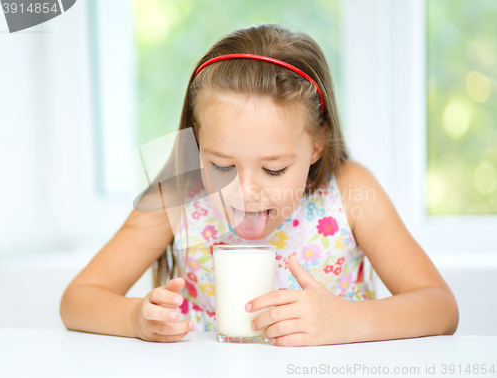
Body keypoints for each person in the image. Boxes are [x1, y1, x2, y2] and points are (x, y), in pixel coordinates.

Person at [60, 23, 459, 347]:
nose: (246, 192)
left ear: (318, 143)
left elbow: (440, 308)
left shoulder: (349, 190)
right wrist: (135, 319)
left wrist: (348, 321)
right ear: (197, 142)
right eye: (220, 165)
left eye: (273, 170)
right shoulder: (178, 192)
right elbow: (78, 300)